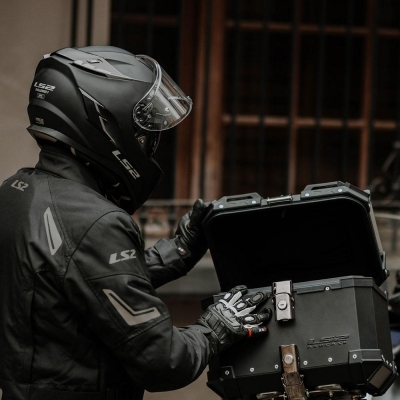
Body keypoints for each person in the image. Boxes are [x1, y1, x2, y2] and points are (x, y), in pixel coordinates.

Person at [0, 46, 271, 400]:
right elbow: (164, 360)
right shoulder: (95, 221)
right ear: (104, 124)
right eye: (142, 131)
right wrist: (215, 327)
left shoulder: (15, 193)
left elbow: (81, 279)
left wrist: (180, 250)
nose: (148, 143)